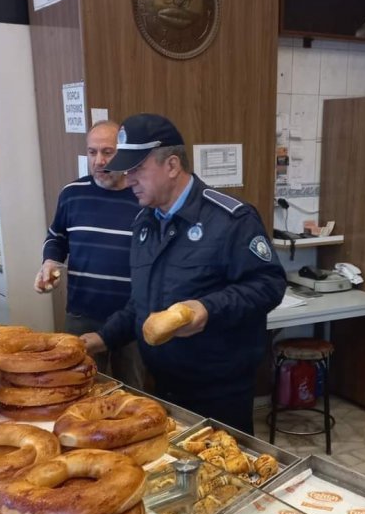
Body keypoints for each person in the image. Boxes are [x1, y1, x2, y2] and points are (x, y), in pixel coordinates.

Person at [81, 113, 286, 435]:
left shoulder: (231, 219)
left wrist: (208, 309)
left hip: (219, 391)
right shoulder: (145, 222)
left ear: (172, 166)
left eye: (136, 169)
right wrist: (103, 338)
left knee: (222, 478)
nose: (128, 178)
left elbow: (268, 284)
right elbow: (142, 303)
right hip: (163, 385)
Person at [34, 120, 146, 388]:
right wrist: (50, 262)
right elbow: (57, 236)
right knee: (77, 387)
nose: (98, 161)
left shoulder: (144, 197)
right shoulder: (73, 194)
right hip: (82, 314)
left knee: (133, 394)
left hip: (132, 317)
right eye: (92, 152)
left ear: (125, 153)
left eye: (108, 152)